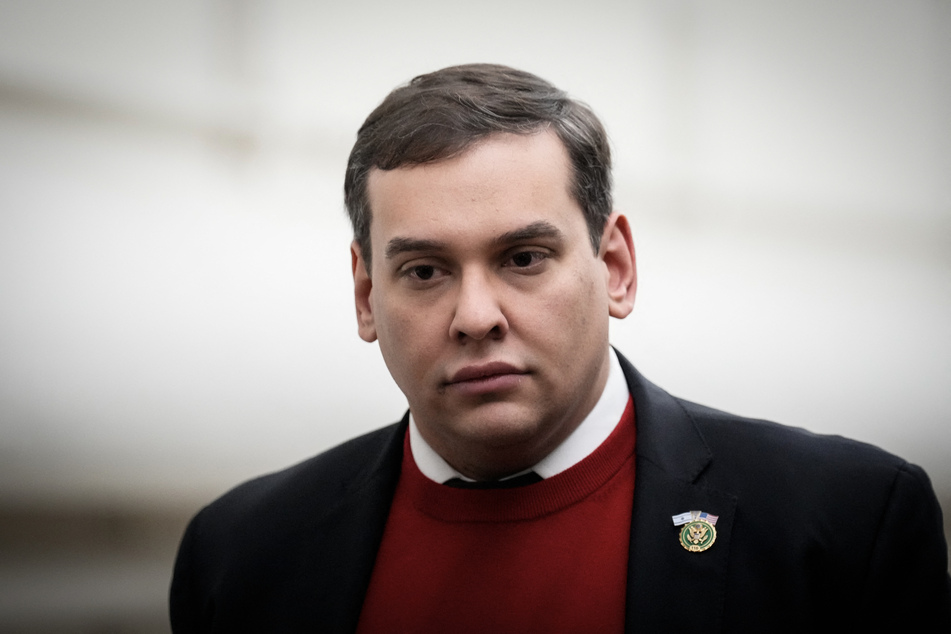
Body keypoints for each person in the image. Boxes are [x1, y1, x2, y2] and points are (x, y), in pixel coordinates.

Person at [169, 63, 951, 632]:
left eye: (522, 259)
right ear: (367, 295)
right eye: (424, 270)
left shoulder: (840, 527)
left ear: (614, 268)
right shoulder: (242, 553)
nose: (475, 316)